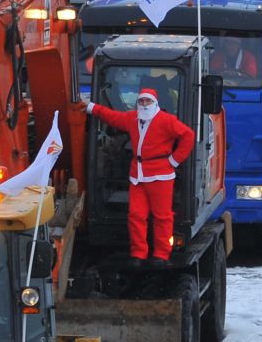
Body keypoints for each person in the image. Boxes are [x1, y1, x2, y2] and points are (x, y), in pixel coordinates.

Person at [82, 88, 195, 265]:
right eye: (141, 101)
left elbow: (188, 135)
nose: (144, 104)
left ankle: (162, 254)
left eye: (147, 101)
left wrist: (174, 160)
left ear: (155, 103)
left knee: (162, 216)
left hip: (160, 175)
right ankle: (139, 254)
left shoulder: (166, 120)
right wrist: (91, 107)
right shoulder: (132, 118)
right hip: (138, 175)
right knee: (136, 215)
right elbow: (112, 116)